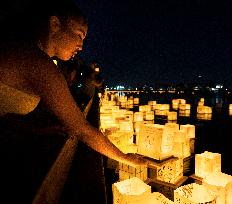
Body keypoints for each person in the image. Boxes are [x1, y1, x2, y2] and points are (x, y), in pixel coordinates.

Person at [0, 0, 146, 203]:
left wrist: (34, 129)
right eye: (79, 34)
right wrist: (127, 158)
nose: (81, 45)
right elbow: (81, 129)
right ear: (54, 24)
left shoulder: (26, 53)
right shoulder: (37, 62)